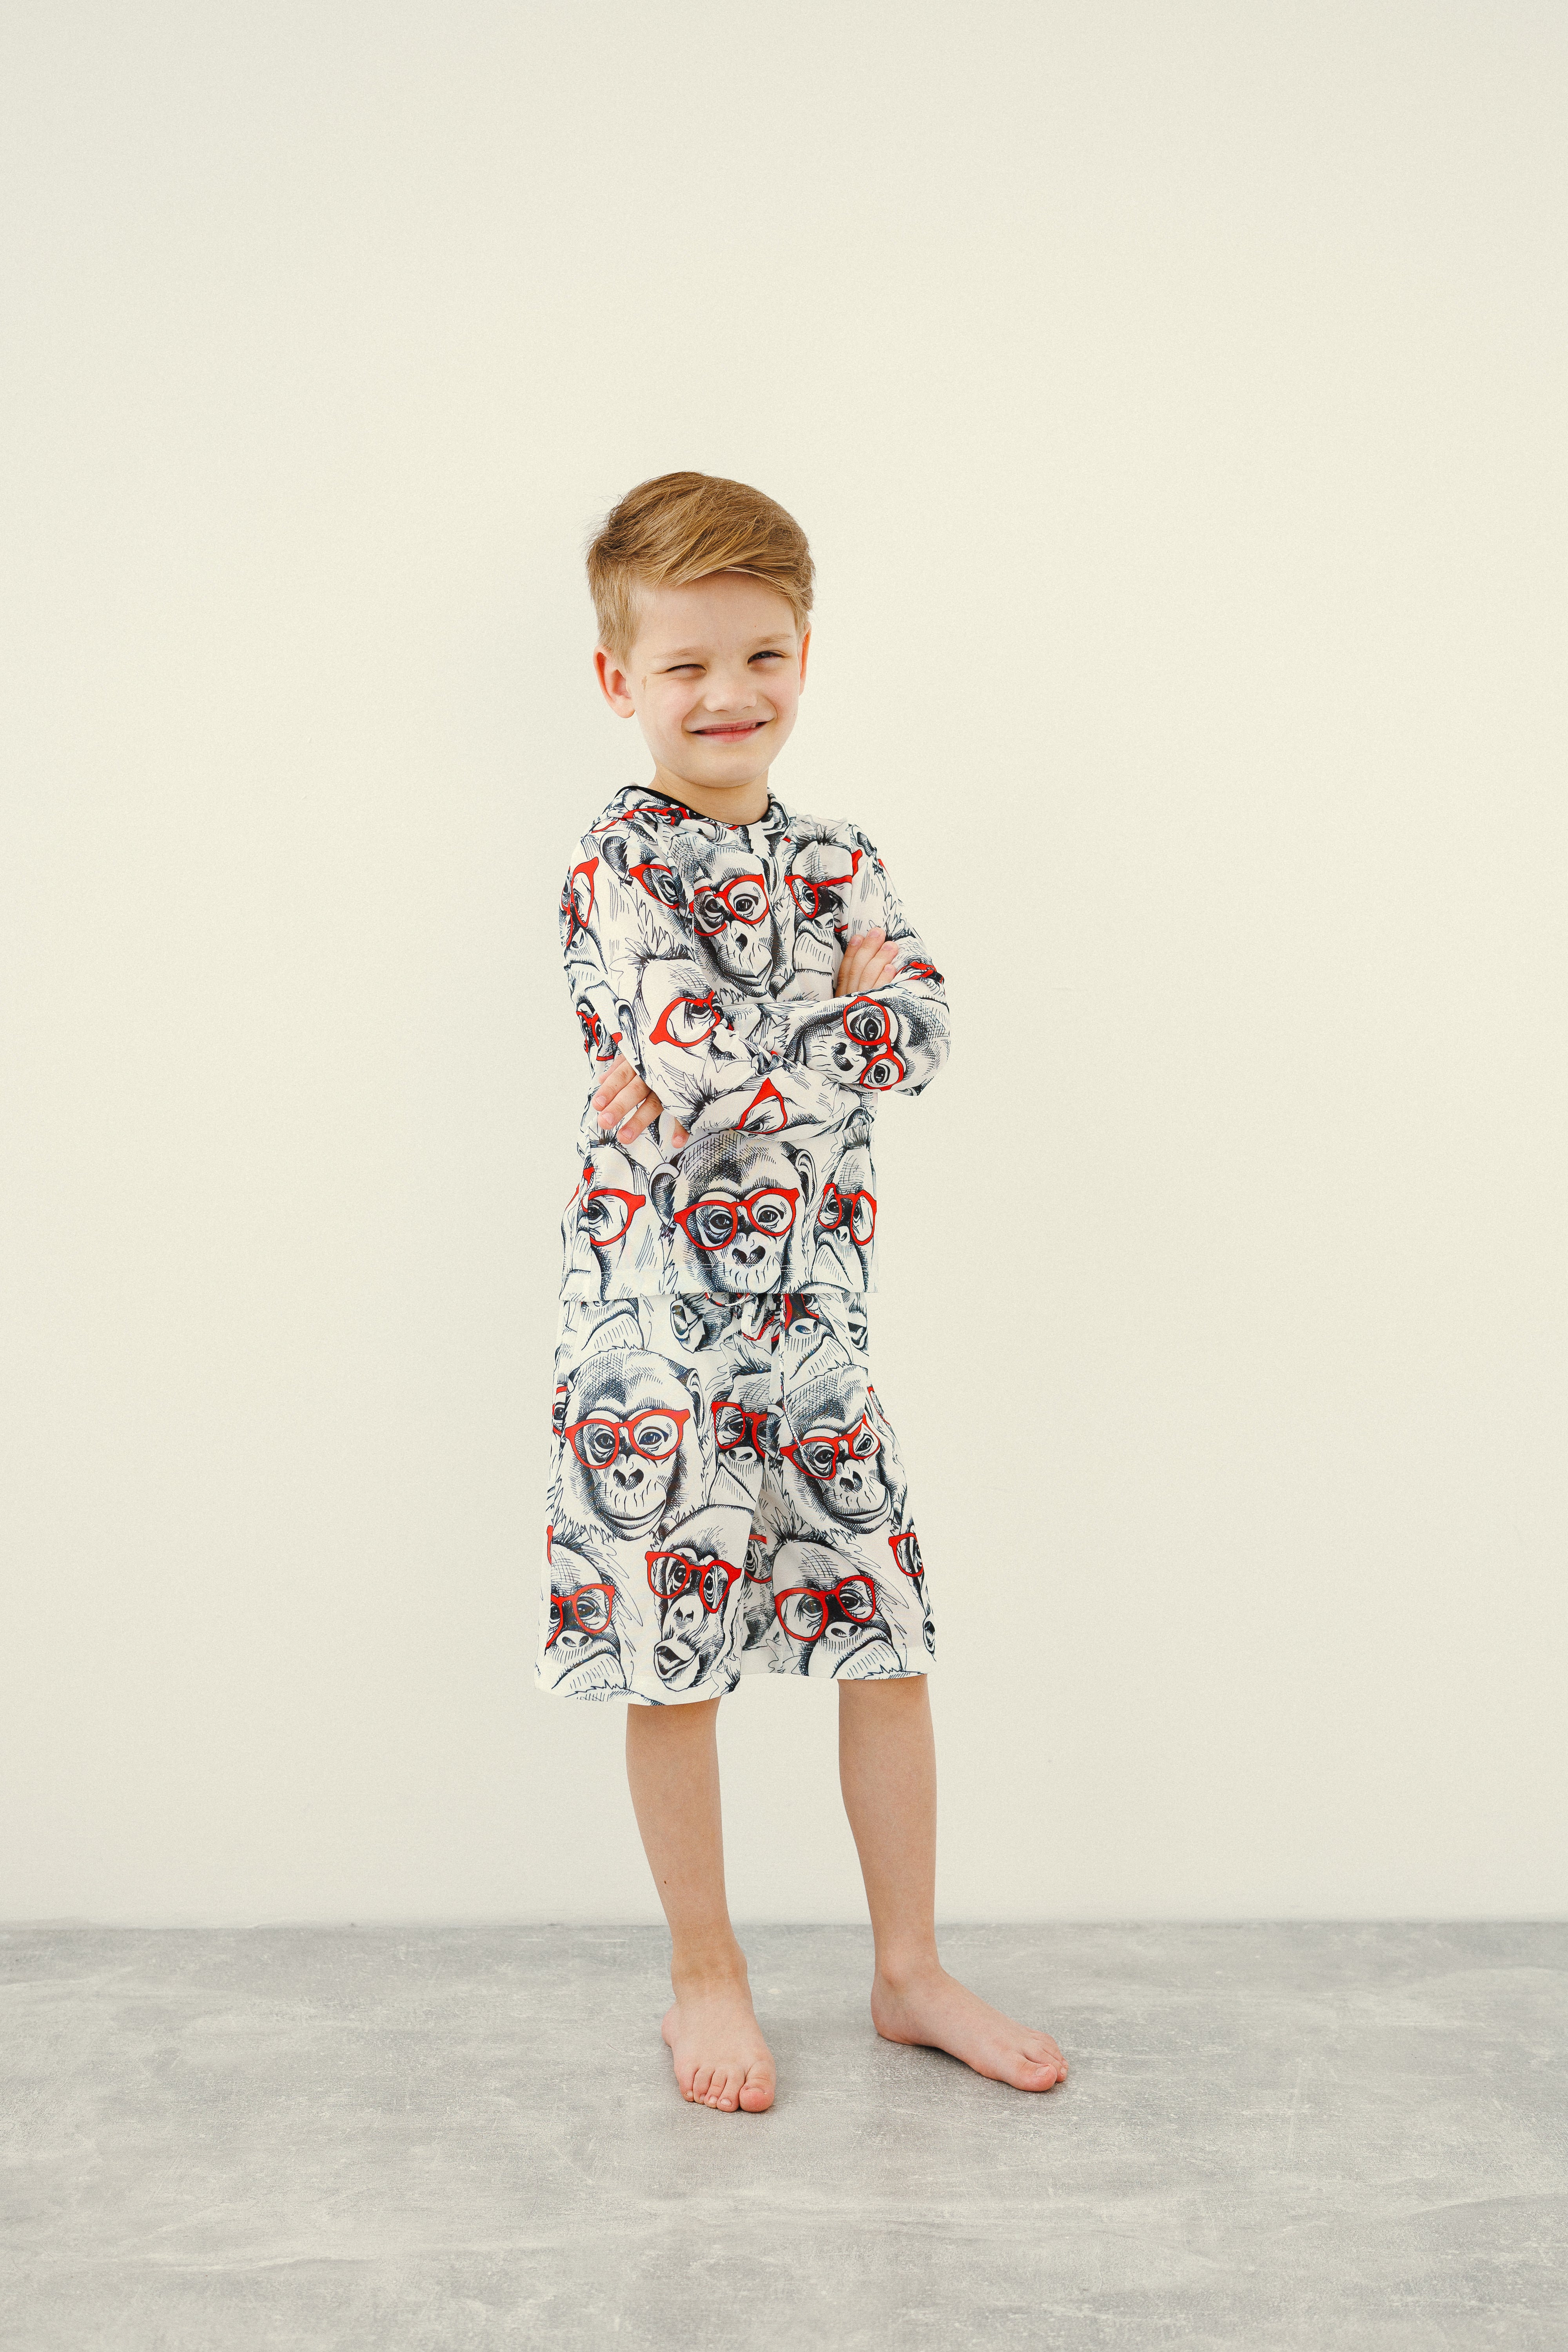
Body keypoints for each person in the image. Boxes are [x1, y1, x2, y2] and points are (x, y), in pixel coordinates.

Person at [538, 470, 1068, 2112]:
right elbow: (696, 1055)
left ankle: (909, 1970)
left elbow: (923, 1033)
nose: (730, 693)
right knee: (673, 1662)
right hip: (657, 1351)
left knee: (886, 1638)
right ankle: (705, 1976)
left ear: (805, 658)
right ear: (620, 677)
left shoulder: (842, 859)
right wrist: (813, 1030)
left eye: (762, 655)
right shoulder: (617, 861)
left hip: (821, 1340)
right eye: (687, 663)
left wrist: (744, 1056)